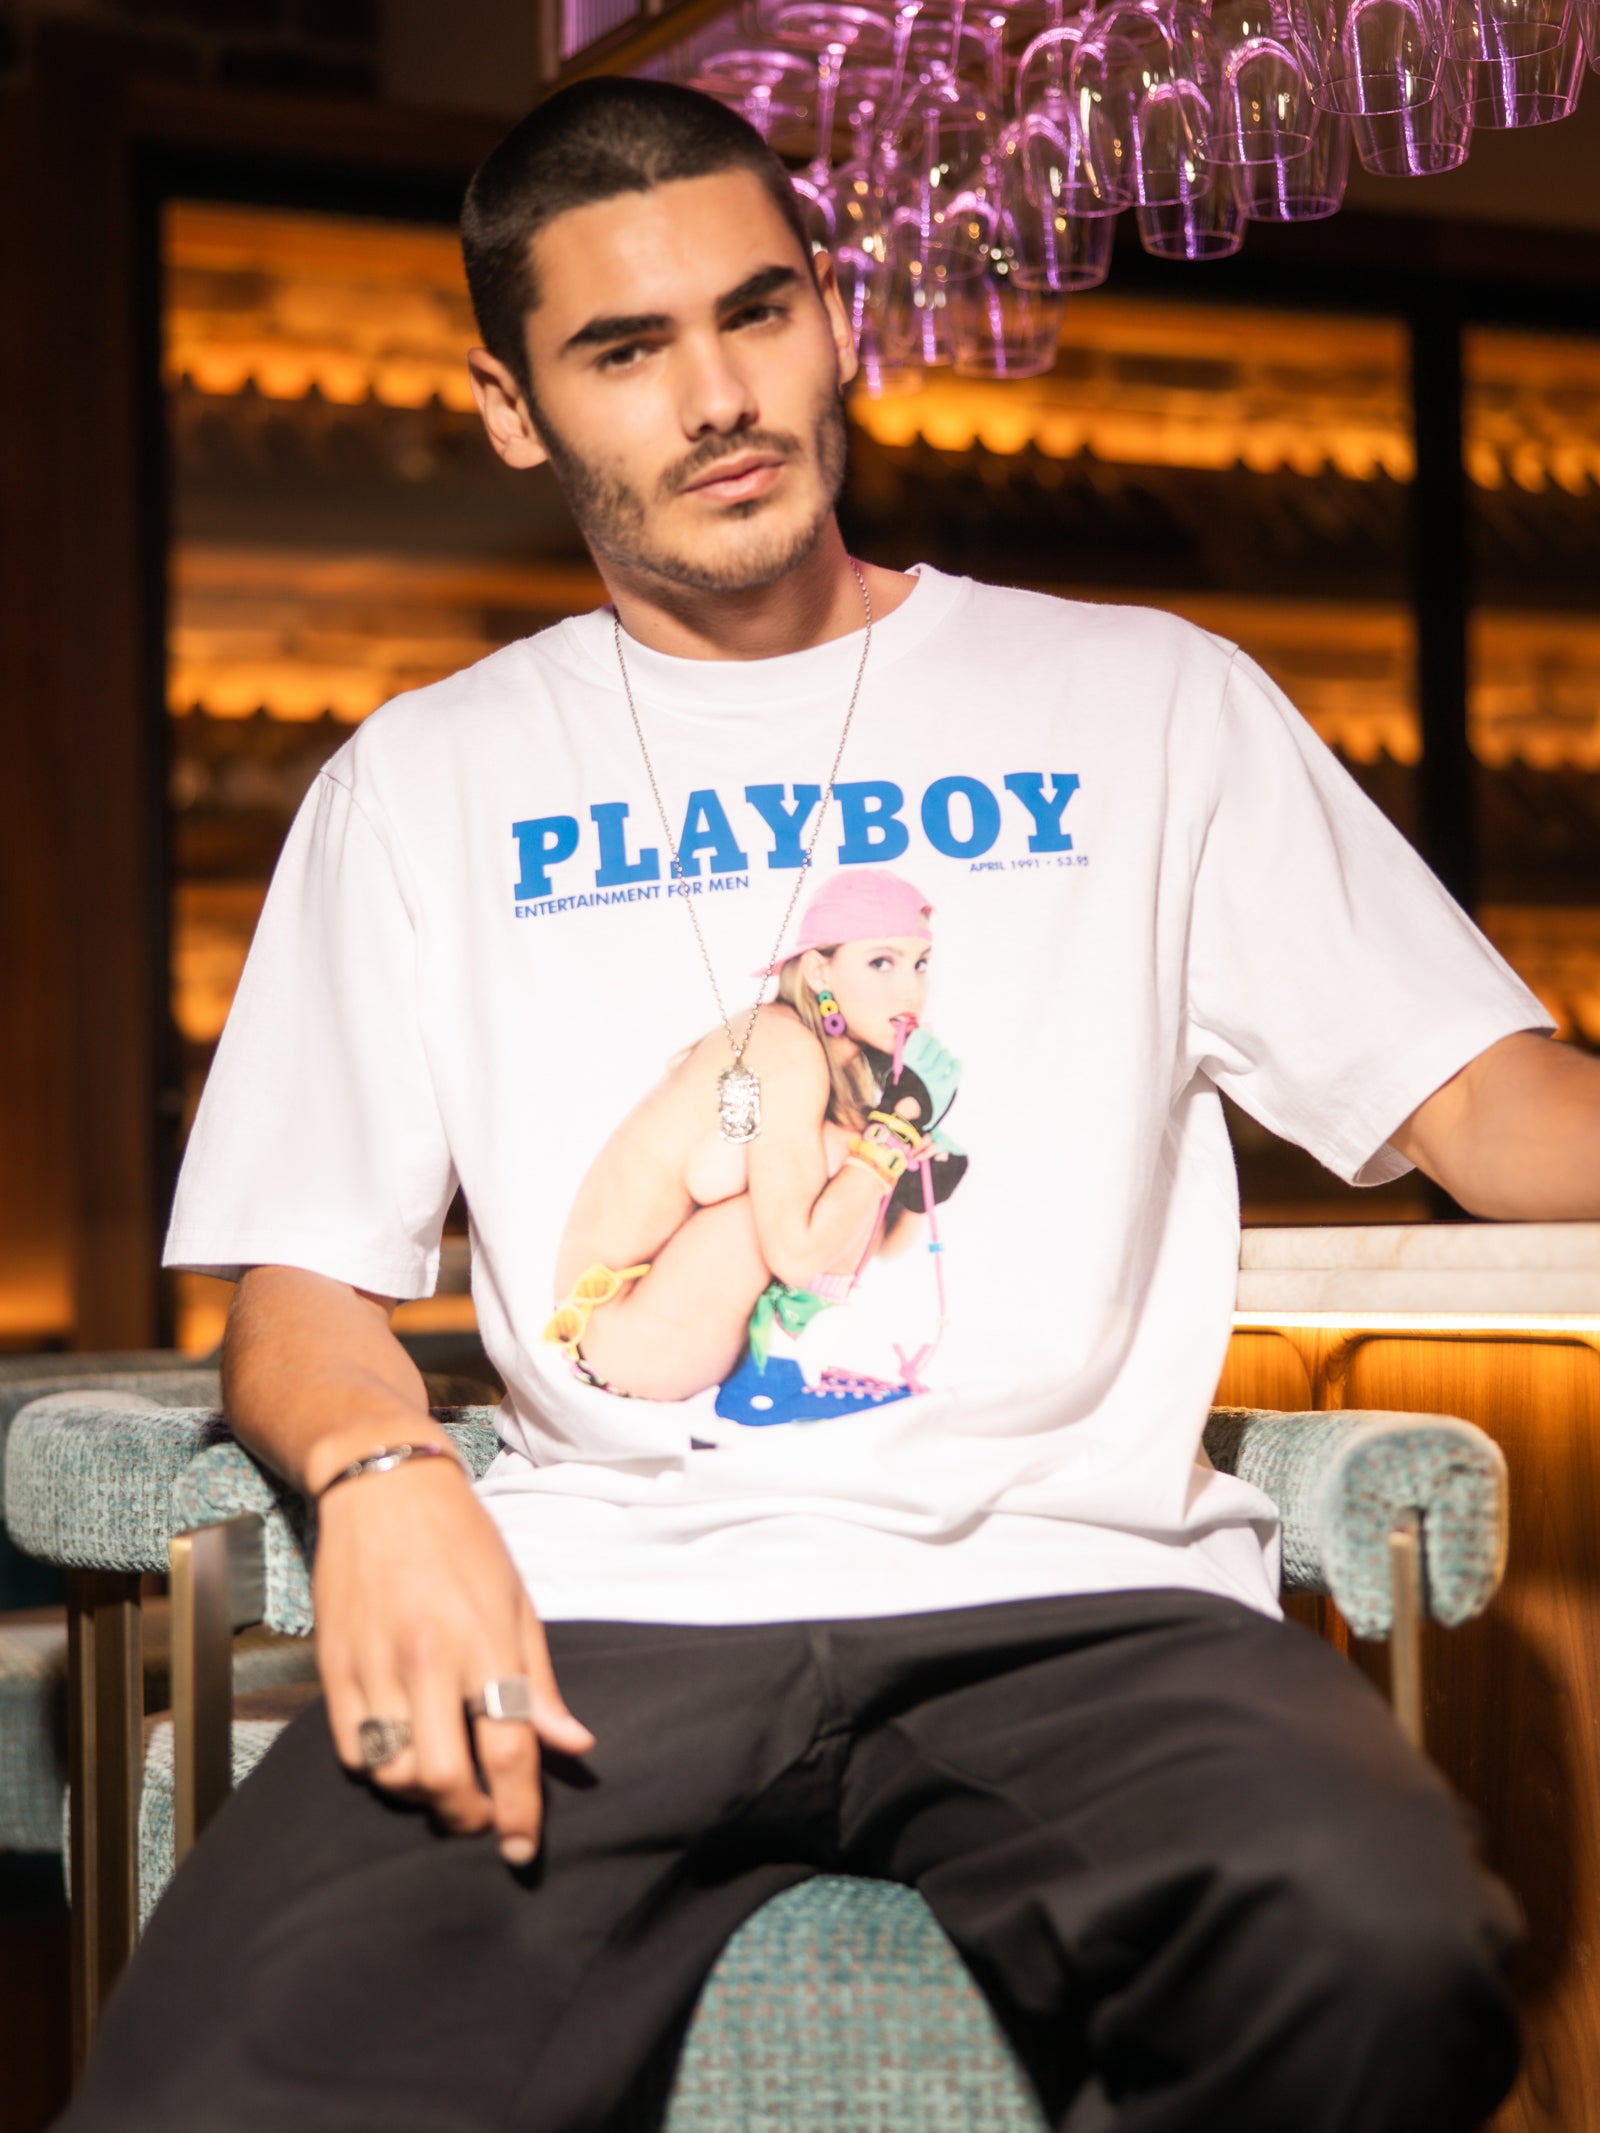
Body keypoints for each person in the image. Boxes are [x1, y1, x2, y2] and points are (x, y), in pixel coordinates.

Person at [59, 74, 1600, 2133]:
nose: (716, 396)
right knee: (214, 2078)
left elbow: (1493, 1107)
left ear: (833, 316)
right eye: (624, 349)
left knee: (1379, 1948)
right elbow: (299, 1290)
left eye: (755, 312)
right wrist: (384, 1481)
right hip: (599, 1597)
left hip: (1080, 1589)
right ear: (512, 407)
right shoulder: (419, 782)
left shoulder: (1147, 698)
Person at [546, 864, 966, 1416]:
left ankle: (786, 1368)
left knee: (853, 1159)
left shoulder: (839, 1062)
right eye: (880, 962)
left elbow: (873, 1246)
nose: (910, 989)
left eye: (920, 963)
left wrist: (915, 1182)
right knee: (848, 1154)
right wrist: (896, 1129)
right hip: (628, 1340)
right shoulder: (783, 1046)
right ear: (818, 971)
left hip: (654, 1331)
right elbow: (799, 1257)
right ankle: (777, 1375)